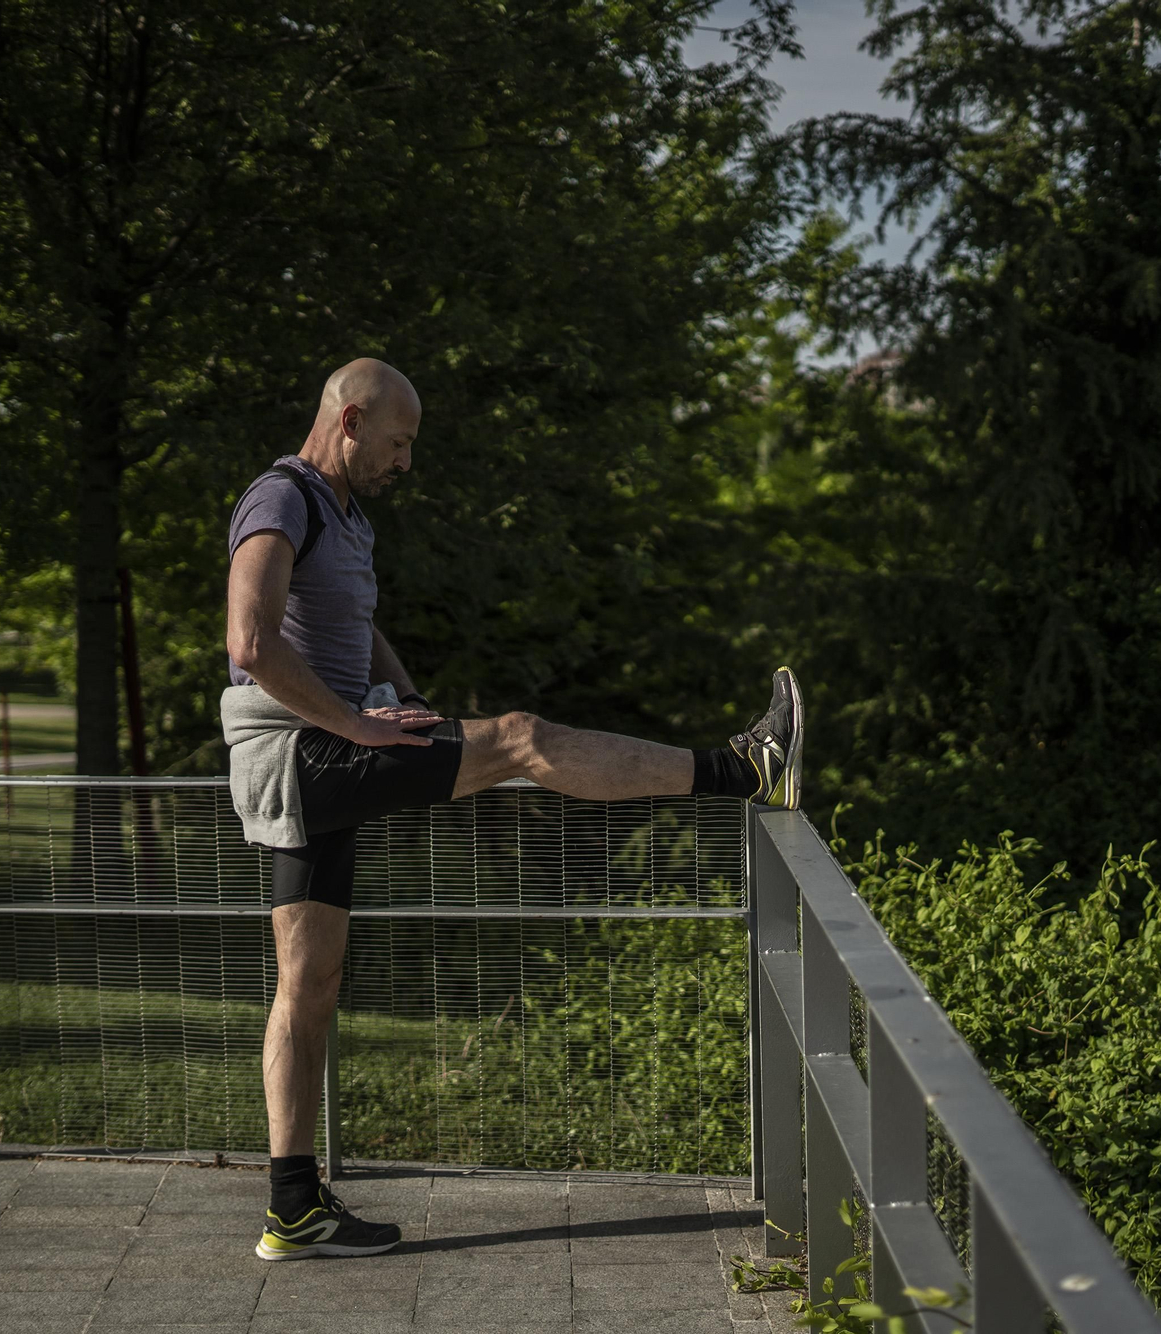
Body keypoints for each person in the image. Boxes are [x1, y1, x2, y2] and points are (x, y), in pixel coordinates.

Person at [222, 357, 803, 1261]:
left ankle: (293, 1208)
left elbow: (347, 619)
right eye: (400, 442)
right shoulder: (281, 498)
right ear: (350, 418)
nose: (407, 461)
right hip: (300, 753)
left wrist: (402, 700)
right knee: (523, 738)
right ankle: (745, 768)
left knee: (310, 980)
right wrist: (362, 730)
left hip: (321, 755)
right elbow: (251, 640)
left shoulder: (345, 517)